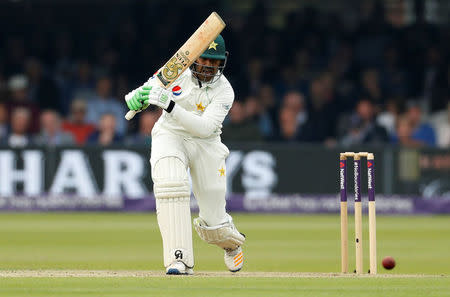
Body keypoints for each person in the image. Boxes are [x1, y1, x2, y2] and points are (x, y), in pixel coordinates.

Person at [125, 35, 245, 275]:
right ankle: (178, 259)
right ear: (193, 56)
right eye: (205, 60)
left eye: (215, 62)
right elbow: (137, 94)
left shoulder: (225, 91)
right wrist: (136, 99)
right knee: (171, 186)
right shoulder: (174, 70)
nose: (210, 67)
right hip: (171, 135)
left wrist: (169, 105)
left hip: (206, 144)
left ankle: (231, 243)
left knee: (214, 223)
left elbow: (203, 128)